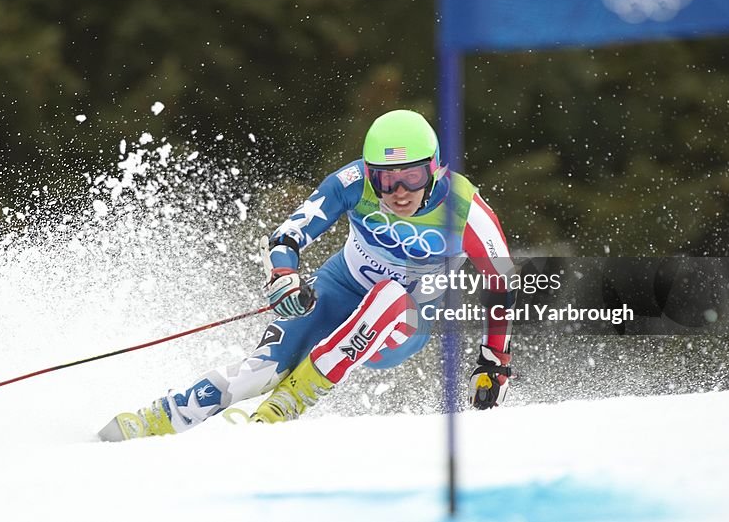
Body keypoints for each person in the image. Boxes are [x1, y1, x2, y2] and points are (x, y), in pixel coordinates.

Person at [99, 109, 516, 441]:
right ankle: (158, 419)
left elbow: (502, 284)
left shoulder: (468, 213)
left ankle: (289, 403)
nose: (399, 191)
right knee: (261, 370)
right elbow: (288, 234)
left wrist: (493, 362)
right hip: (340, 291)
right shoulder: (352, 183)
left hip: (406, 321)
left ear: (436, 170)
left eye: (412, 176)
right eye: (386, 180)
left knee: (389, 294)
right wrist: (285, 276)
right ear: (371, 174)